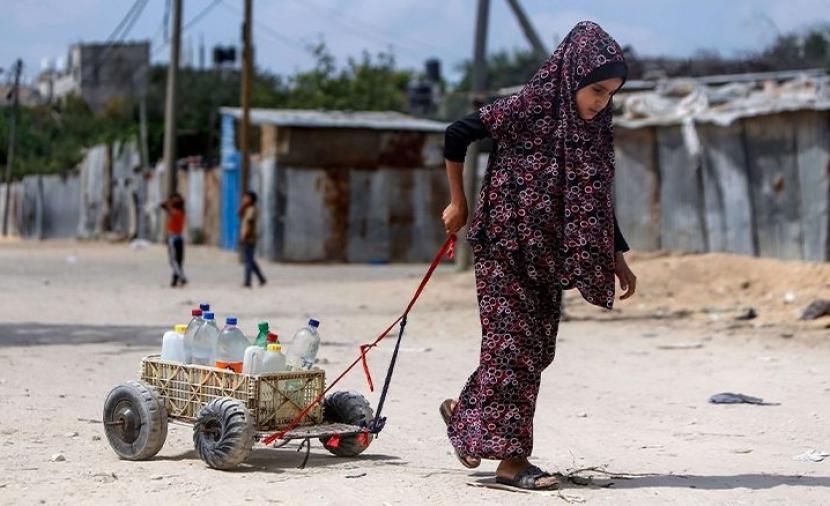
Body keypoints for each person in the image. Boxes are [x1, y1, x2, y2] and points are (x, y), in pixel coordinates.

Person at [439, 21, 638, 490]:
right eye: (596, 90)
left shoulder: (593, 131)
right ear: (572, 76)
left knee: (536, 351)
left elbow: (594, 197)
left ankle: (465, 416)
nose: (602, 102)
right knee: (513, 349)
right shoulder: (528, 106)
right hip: (504, 245)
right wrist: (458, 201)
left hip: (549, 255)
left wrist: (617, 255)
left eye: (610, 93)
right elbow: (456, 133)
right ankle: (512, 463)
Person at [239, 191, 266, 288]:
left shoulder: (252, 210)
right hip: (247, 237)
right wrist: (243, 205)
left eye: (246, 197)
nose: (244, 199)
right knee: (250, 260)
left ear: (250, 199)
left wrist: (244, 236)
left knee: (248, 261)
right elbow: (239, 214)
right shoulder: (247, 208)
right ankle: (261, 278)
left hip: (250, 238)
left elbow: (249, 224)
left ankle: (248, 281)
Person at [161, 193, 188, 287]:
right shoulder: (183, 212)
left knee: (173, 261)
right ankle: (174, 280)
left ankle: (181, 277)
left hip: (172, 239)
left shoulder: (173, 212)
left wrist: (170, 200)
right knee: (179, 261)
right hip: (180, 238)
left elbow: (163, 205)